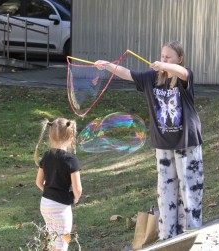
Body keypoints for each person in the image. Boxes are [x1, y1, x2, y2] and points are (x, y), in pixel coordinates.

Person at [95, 41, 204, 240]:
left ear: (179, 59)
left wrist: (165, 66)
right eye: (162, 56)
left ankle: (191, 232)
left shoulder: (184, 77)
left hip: (186, 142)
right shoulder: (151, 78)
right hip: (163, 144)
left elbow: (183, 72)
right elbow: (127, 74)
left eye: (168, 57)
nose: (163, 60)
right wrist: (108, 66)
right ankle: (167, 234)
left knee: (189, 187)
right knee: (166, 190)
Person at [35, 118, 82, 250]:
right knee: (61, 244)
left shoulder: (46, 156)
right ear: (71, 136)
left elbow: (39, 182)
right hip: (61, 208)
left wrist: (50, 192)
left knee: (52, 241)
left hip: (45, 205)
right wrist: (76, 198)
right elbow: (77, 188)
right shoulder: (71, 160)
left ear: (50, 135)